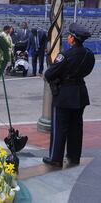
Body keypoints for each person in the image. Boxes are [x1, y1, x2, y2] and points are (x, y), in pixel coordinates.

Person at [42, 23, 95, 168]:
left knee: (60, 127)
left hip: (64, 95)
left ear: (72, 39)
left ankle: (55, 158)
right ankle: (73, 156)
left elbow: (49, 74)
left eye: (69, 36)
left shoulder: (65, 55)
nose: (68, 38)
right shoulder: (89, 54)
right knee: (76, 128)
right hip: (80, 94)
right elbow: (88, 70)